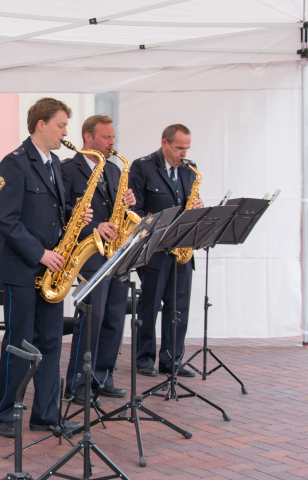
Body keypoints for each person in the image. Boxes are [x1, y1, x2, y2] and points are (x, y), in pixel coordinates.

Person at [0, 97, 91, 438]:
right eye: (61, 125)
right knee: (21, 342)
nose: (66, 132)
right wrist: (40, 254)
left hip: (52, 270)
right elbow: (4, 219)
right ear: (41, 125)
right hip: (23, 267)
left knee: (49, 341)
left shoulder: (55, 164)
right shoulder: (14, 163)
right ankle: (6, 413)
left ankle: (45, 414)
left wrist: (76, 215)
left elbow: (55, 211)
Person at [62, 115, 136, 404]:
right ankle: (78, 383)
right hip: (89, 254)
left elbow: (118, 209)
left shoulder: (115, 171)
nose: (111, 143)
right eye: (106, 138)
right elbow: (63, 211)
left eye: (112, 138)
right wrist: (93, 228)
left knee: (114, 317)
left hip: (115, 252)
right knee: (91, 319)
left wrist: (130, 202)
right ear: (88, 138)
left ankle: (103, 376)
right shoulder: (67, 169)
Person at [129, 124, 203, 378]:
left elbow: (189, 207)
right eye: (179, 148)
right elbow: (133, 210)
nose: (183, 154)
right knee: (150, 306)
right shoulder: (143, 167)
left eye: (186, 149)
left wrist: (198, 208)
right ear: (165, 143)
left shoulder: (189, 170)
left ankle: (172, 359)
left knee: (179, 306)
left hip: (181, 250)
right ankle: (145, 358)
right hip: (154, 251)